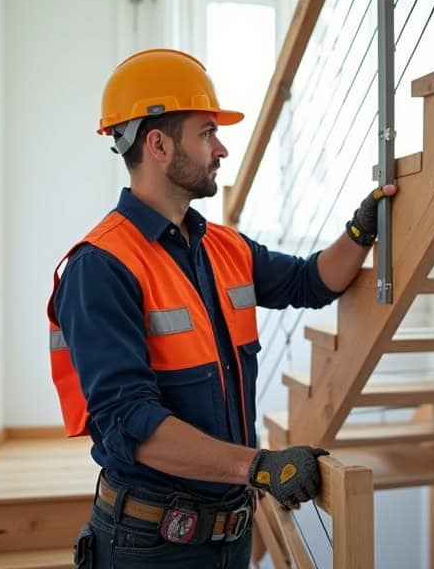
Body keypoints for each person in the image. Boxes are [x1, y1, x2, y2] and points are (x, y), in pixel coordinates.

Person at [46, 48, 396, 568]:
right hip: (149, 548)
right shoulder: (102, 266)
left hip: (228, 537)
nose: (222, 148)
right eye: (207, 132)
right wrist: (260, 466)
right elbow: (132, 426)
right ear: (159, 145)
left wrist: (361, 230)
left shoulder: (223, 248)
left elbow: (312, 280)